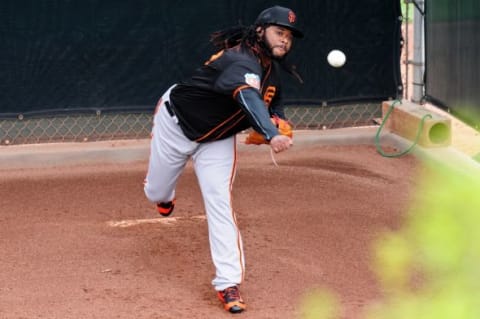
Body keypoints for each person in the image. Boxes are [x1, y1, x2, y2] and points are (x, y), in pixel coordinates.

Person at [144, 5, 304, 314]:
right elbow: (247, 96)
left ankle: (228, 283)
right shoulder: (239, 59)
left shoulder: (270, 68)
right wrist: (270, 133)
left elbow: (273, 99)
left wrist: (279, 121)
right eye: (279, 32)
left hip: (215, 141)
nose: (285, 40)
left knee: (219, 201)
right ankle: (165, 197)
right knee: (156, 193)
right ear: (260, 31)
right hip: (175, 125)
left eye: (289, 36)